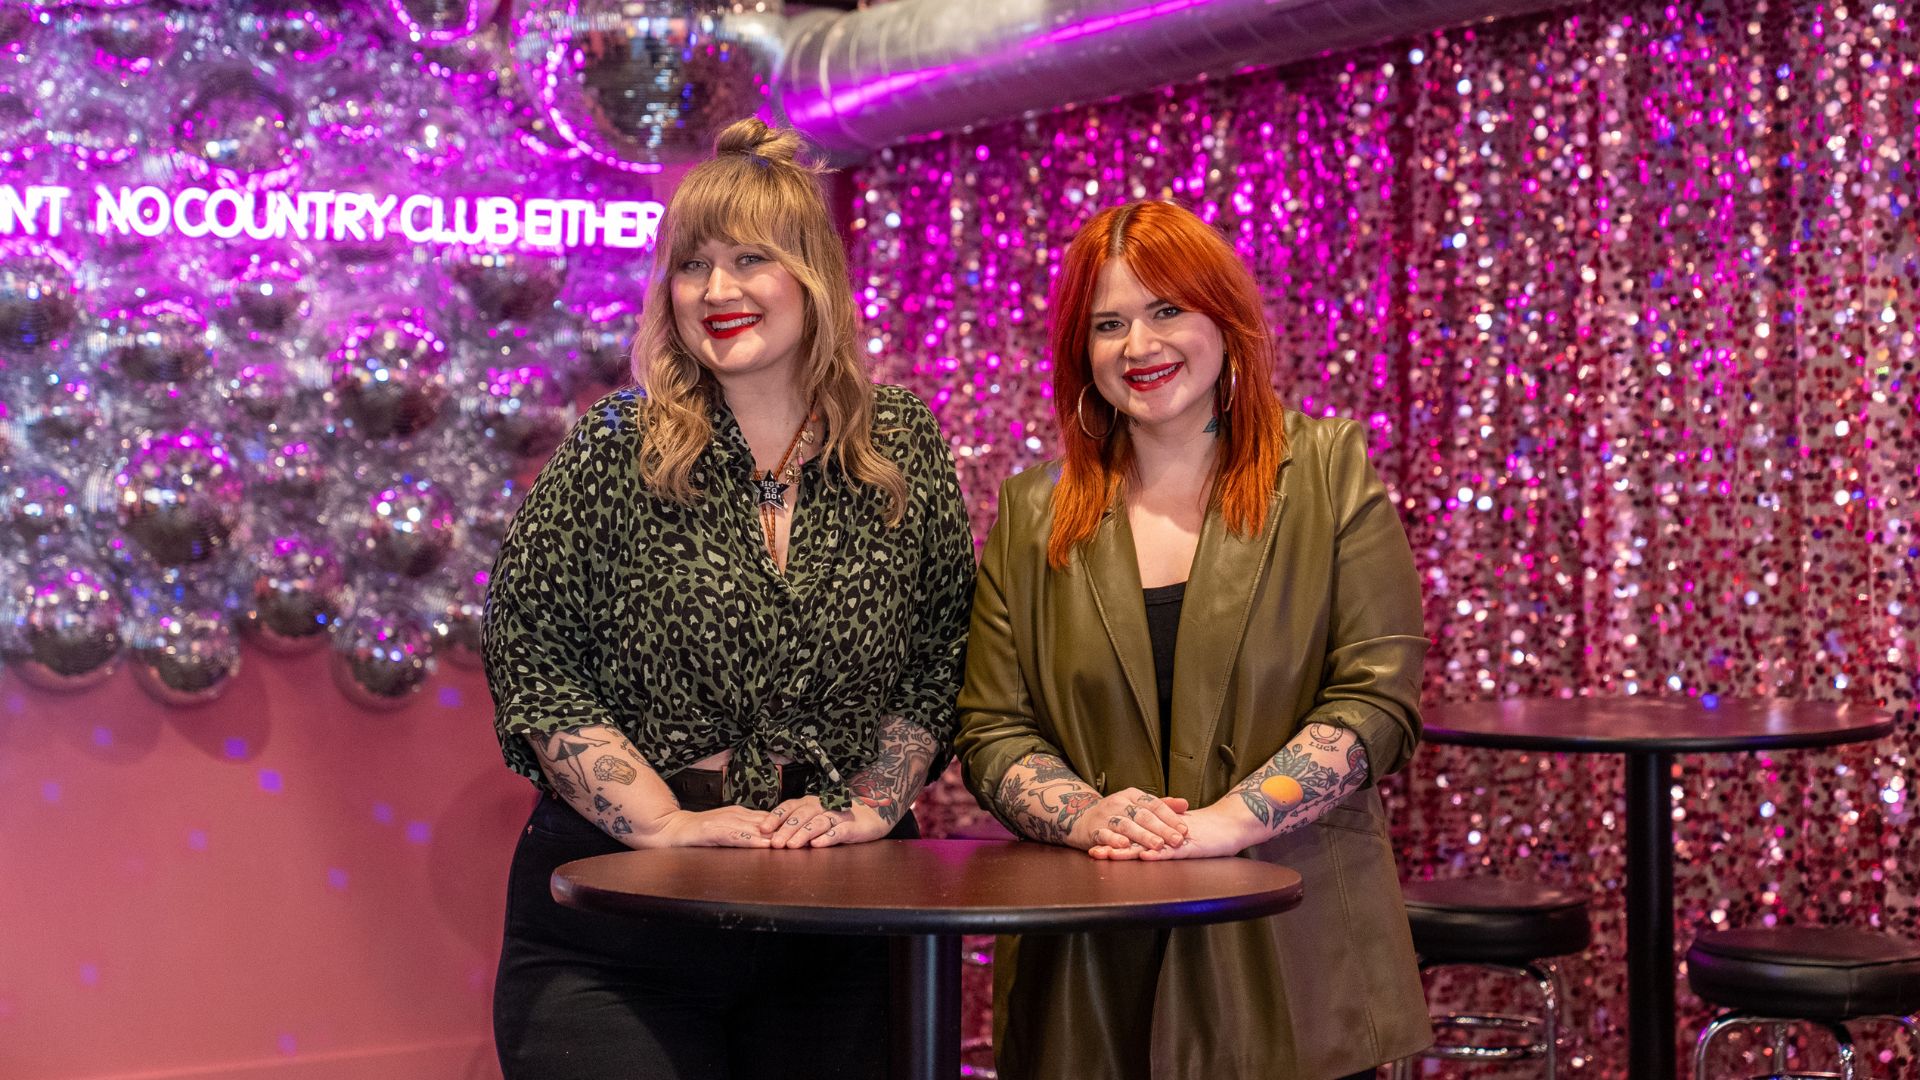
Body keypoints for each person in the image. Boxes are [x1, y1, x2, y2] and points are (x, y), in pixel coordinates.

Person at [483, 118, 975, 1080]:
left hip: (840, 918)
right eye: (691, 265)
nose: (717, 291)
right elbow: (533, 654)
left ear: (814, 279)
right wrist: (663, 824)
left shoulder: (902, 443)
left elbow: (939, 654)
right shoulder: (614, 448)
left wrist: (874, 806)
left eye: (750, 259)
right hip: (623, 920)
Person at [954, 199, 1432, 1080]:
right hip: (1091, 961)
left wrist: (1227, 823)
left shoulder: (1328, 470)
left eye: (1167, 309)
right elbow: (991, 728)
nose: (1140, 346)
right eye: (1109, 323)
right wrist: (1086, 812)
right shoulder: (1031, 514)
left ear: (1225, 317)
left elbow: (1378, 700)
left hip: (1294, 950)